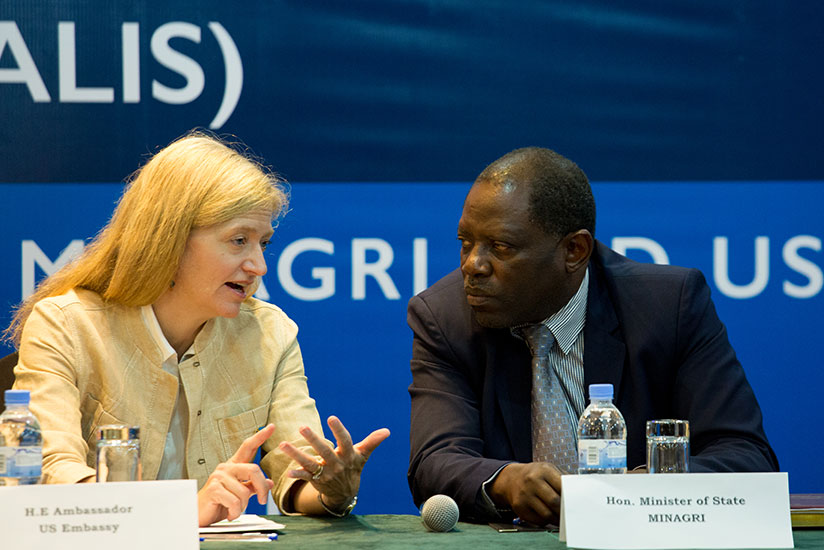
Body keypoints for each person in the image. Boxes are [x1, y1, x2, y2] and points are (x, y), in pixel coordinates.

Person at [6, 132, 389, 526]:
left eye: (263, 243)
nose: (259, 266)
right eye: (238, 240)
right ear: (169, 239)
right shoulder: (65, 325)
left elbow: (296, 474)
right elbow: (49, 475)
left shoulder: (271, 333)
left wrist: (332, 491)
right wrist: (181, 512)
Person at [407, 147, 777, 526]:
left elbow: (746, 455)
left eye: (501, 247)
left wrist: (650, 488)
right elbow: (434, 461)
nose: (473, 265)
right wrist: (505, 480)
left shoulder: (669, 308)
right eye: (465, 242)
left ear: (574, 250)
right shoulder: (445, 319)